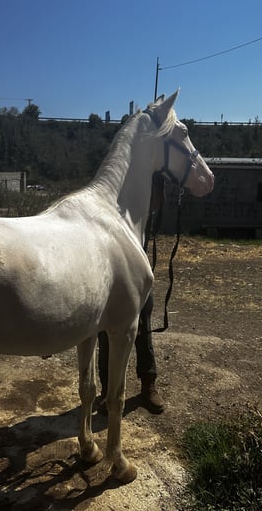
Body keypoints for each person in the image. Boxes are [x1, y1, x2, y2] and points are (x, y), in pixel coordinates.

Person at [97, 175, 166, 414]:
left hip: (136, 277)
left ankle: (148, 385)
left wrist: (157, 179)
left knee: (143, 329)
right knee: (105, 334)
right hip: (109, 276)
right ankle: (107, 390)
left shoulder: (140, 206)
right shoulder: (109, 198)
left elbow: (157, 203)